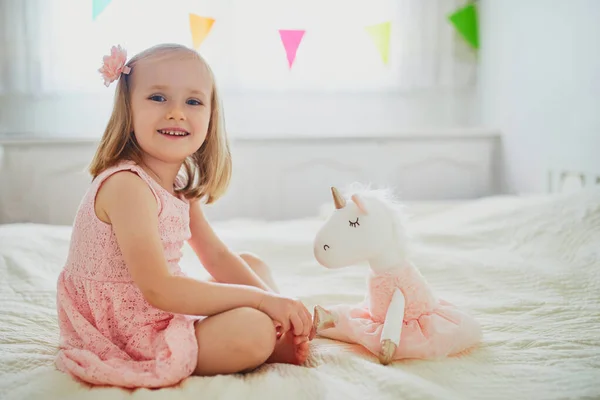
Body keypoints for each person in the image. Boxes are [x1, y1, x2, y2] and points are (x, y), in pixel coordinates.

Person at [55, 43, 314, 389]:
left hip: (159, 309)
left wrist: (280, 306)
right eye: (158, 98)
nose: (176, 112)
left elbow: (216, 255)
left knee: (253, 265)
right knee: (252, 329)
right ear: (128, 110)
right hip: (125, 330)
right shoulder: (127, 187)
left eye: (193, 102)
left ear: (210, 116)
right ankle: (268, 340)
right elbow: (160, 290)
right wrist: (261, 301)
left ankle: (281, 330)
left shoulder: (176, 187)